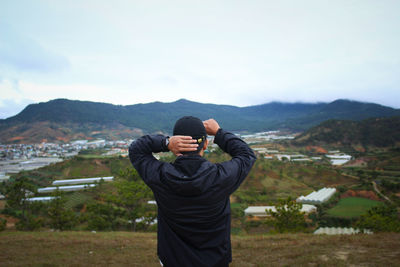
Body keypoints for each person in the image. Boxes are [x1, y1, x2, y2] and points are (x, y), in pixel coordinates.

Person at [129, 116, 256, 267]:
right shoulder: (220, 177)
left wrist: (165, 142)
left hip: (173, 260)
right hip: (215, 261)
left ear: (176, 146)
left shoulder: (161, 176)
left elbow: (136, 149)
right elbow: (246, 155)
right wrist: (219, 132)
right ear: (206, 144)